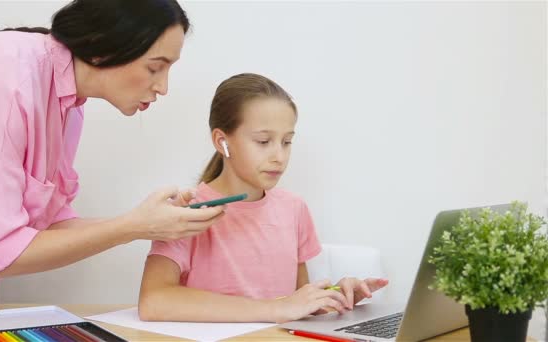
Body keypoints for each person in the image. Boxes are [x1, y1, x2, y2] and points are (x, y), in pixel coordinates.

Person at [0, 0, 225, 317]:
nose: (163, 87)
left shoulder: (68, 105)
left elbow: (53, 225)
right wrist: (135, 226)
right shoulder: (2, 77)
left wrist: (152, 222)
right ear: (101, 47)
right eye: (155, 67)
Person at [138, 73, 389, 323]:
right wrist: (274, 310)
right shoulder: (184, 213)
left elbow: (297, 305)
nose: (279, 156)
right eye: (263, 141)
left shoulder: (294, 209)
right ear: (222, 141)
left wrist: (335, 298)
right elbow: (153, 302)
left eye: (287, 141)